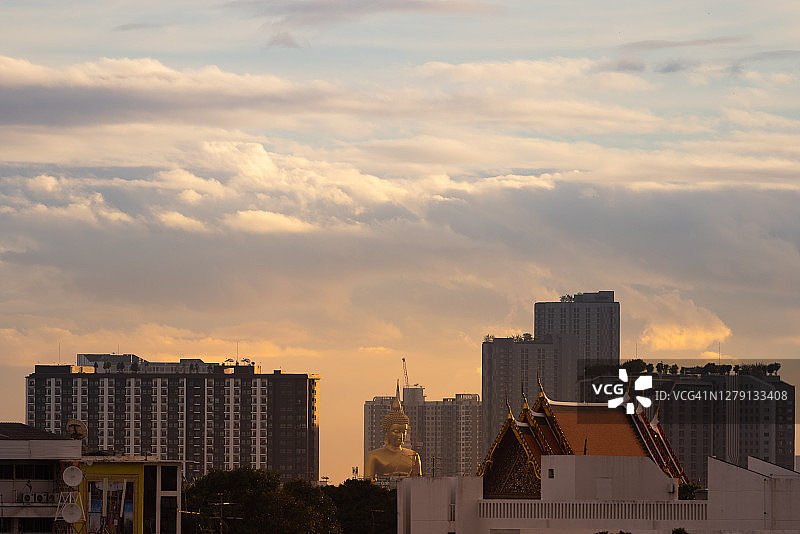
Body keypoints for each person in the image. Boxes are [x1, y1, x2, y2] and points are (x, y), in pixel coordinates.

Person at [365, 398, 422, 479]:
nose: (401, 436)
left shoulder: (413, 456)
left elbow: (419, 484)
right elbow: (368, 482)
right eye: (396, 431)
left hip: (408, 491)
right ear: (386, 432)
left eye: (404, 432)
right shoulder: (374, 456)